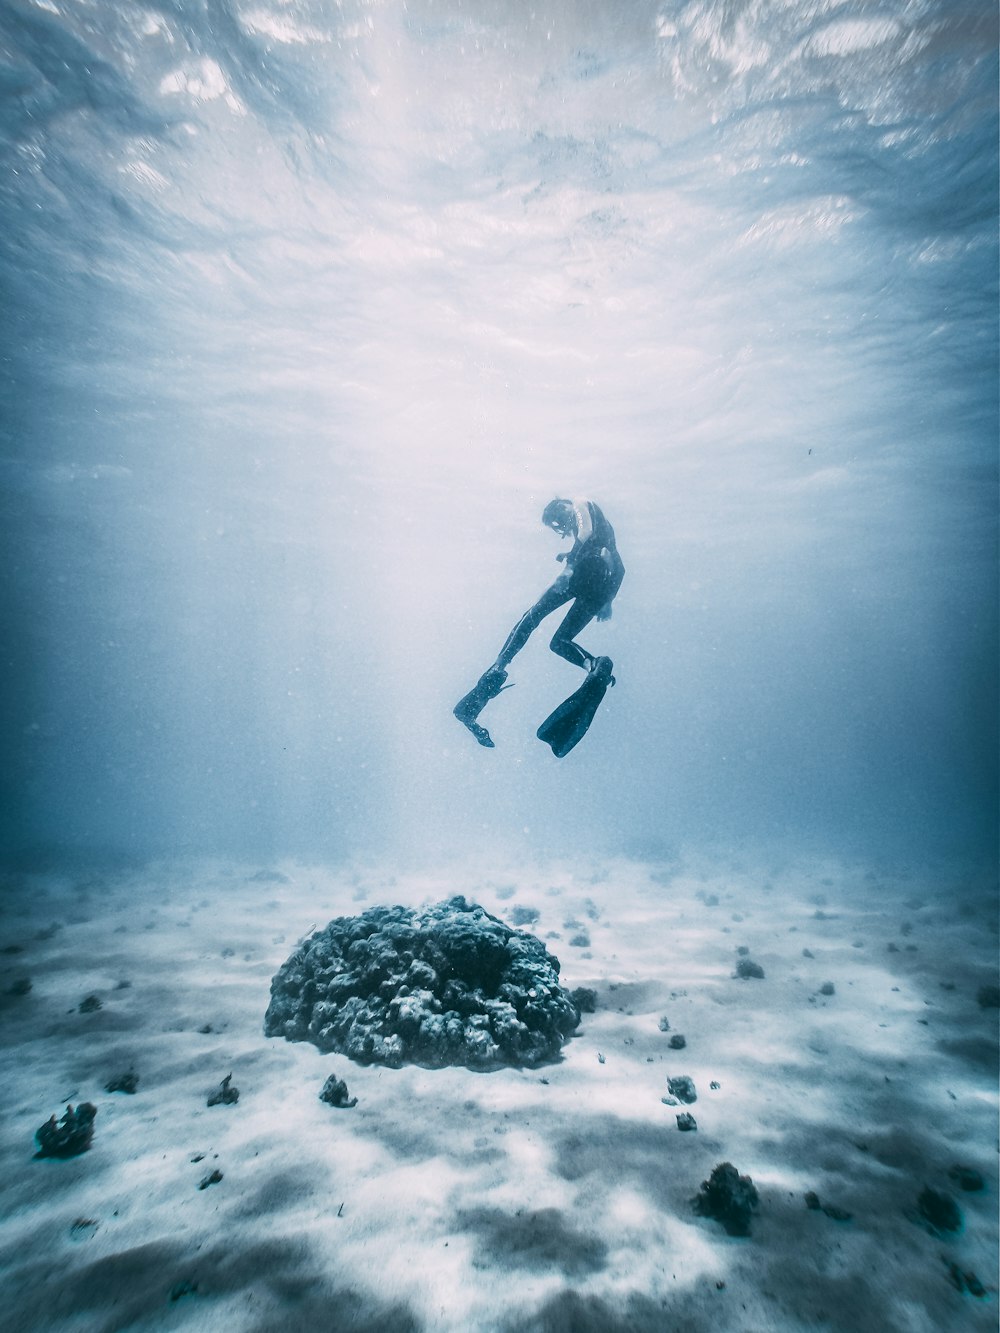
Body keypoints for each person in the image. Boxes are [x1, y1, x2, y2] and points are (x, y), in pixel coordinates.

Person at [454, 497, 625, 748]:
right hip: (600, 586)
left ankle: (497, 669)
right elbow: (619, 566)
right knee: (560, 642)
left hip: (582, 575)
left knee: (531, 616)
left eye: (558, 524)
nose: (562, 529)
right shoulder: (607, 532)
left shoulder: (580, 503)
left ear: (562, 507)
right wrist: (607, 600)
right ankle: (593, 666)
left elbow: (585, 532)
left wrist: (568, 569)